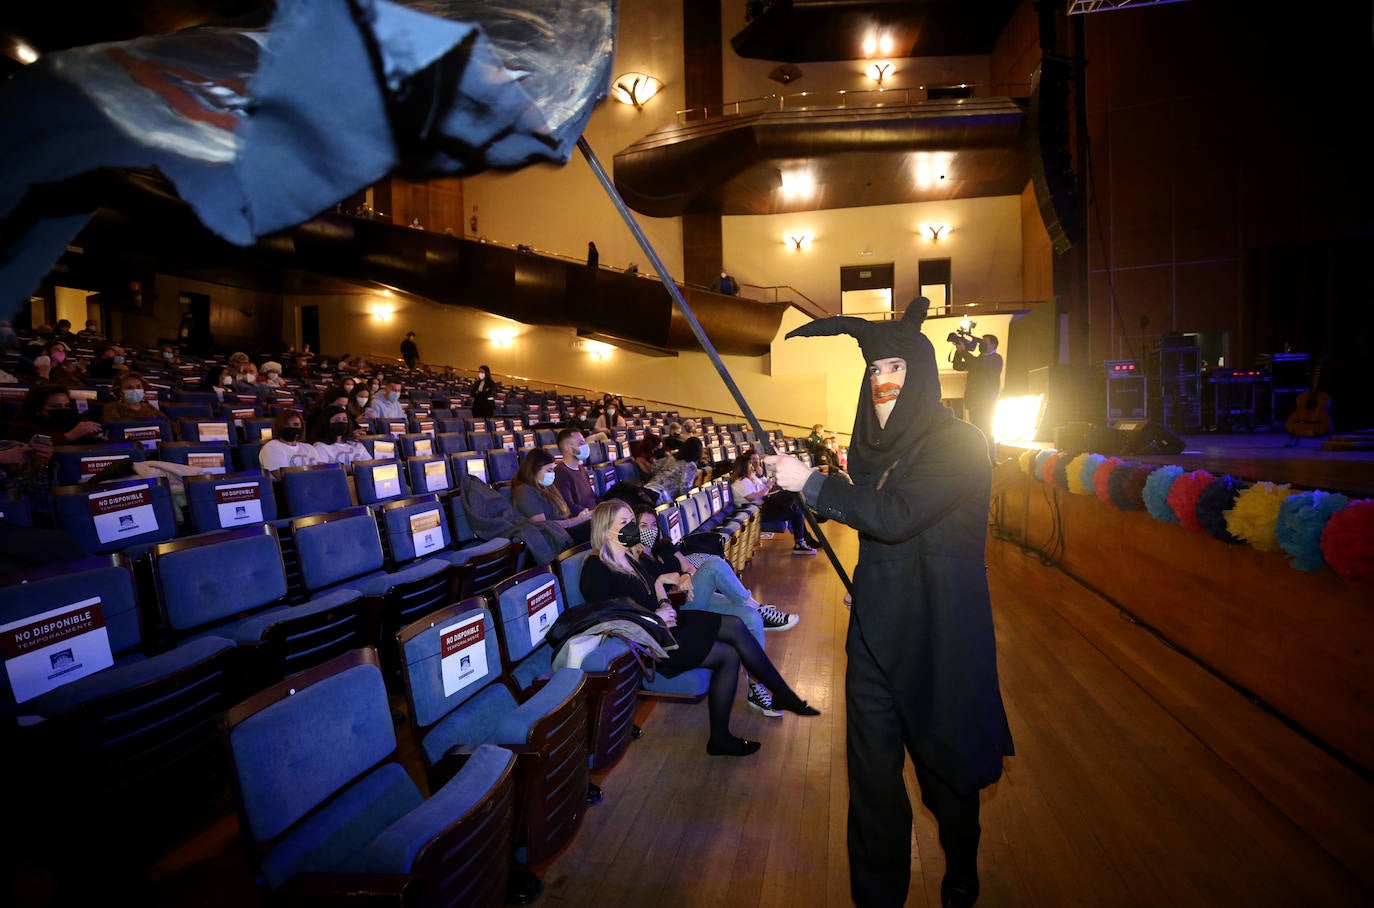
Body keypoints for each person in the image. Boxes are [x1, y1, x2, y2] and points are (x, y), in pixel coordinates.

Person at [770, 298, 1013, 908]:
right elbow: (874, 525)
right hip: (876, 634)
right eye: (876, 371)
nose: (884, 382)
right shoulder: (874, 457)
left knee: (947, 777)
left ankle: (961, 868)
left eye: (898, 369)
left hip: (940, 636)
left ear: (925, 376)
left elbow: (897, 517)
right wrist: (817, 488)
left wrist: (815, 485)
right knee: (873, 783)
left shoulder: (960, 443)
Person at [580, 500, 819, 756]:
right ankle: (780, 693)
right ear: (606, 530)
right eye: (625, 523)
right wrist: (655, 615)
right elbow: (610, 619)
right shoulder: (595, 568)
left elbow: (654, 590)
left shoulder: (629, 558)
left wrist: (662, 599)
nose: (634, 528)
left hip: (669, 626)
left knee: (732, 643)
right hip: (652, 642)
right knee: (732, 639)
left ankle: (723, 736)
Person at [628, 504, 799, 714]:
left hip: (692, 595)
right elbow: (647, 593)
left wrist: (685, 576)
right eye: (643, 525)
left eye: (653, 524)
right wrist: (663, 580)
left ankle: (757, 689)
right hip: (678, 608)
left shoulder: (663, 546)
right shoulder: (635, 557)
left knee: (751, 618)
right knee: (714, 565)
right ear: (632, 528)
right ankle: (759, 607)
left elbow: (688, 567)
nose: (649, 530)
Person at [731, 449, 819, 555]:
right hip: (758, 511)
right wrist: (767, 487)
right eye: (750, 464)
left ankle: (801, 538)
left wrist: (768, 483)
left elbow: (761, 487)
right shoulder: (740, 483)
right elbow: (753, 497)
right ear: (744, 467)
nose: (752, 466)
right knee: (793, 501)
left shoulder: (750, 478)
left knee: (794, 503)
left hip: (765, 504)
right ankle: (807, 518)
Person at [510, 448, 591, 545]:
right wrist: (577, 520)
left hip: (564, 532)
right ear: (534, 470)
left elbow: (564, 513)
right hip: (553, 538)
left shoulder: (546, 486)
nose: (552, 474)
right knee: (596, 526)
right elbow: (543, 526)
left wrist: (581, 517)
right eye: (549, 470)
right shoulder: (524, 491)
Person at [952, 333, 1003, 461]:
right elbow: (957, 366)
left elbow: (977, 365)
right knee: (976, 431)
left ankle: (991, 460)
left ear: (993, 345)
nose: (981, 344)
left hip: (986, 401)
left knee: (986, 430)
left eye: (984, 342)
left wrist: (964, 351)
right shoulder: (978, 359)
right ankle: (979, 459)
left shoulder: (996, 359)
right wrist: (959, 351)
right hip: (974, 400)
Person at [5, 385, 106, 446]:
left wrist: (101, 438)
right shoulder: (19, 428)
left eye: (66, 406)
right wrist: (70, 436)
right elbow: (32, 446)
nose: (63, 410)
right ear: (37, 409)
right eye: (55, 407)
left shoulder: (76, 421)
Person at [258, 408, 321, 477]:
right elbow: (283, 478)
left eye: (296, 425)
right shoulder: (271, 447)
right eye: (287, 425)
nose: (291, 428)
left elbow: (320, 472)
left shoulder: (309, 448)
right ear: (279, 426)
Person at [551, 428, 599, 515]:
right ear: (568, 448)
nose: (585, 446)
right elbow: (569, 506)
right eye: (581, 443)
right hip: (584, 520)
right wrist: (595, 513)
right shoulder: (560, 473)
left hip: (595, 514)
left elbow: (592, 497)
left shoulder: (581, 469)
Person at [101, 372, 166, 423]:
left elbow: (167, 424)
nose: (135, 390)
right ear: (119, 392)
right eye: (129, 388)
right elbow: (116, 429)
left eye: (138, 387)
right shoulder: (111, 407)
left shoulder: (148, 406)